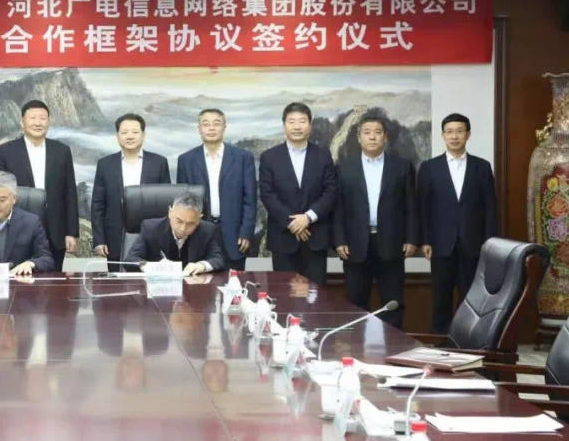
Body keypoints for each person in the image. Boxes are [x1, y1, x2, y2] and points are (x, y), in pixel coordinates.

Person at [332, 112, 418, 329]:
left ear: (385, 137)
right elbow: (338, 207)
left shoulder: (402, 167)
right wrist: (339, 240)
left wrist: (411, 239)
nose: (372, 137)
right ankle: (356, 346)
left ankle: (393, 346)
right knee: (355, 302)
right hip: (355, 245)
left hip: (391, 242)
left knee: (393, 302)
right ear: (359, 137)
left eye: (377, 132)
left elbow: (411, 206)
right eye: (367, 132)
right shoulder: (344, 167)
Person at [418, 113, 498, 333]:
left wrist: (490, 244)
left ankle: (466, 341)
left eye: (459, 131)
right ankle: (440, 340)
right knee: (441, 298)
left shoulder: (482, 167)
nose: (454, 136)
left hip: (473, 244)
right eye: (450, 132)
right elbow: (422, 207)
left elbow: (490, 209)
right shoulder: (429, 167)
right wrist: (425, 240)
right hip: (440, 244)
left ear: (468, 135)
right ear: (443, 135)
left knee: (470, 298)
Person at [0, 100, 78, 269]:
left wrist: (71, 232)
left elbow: (70, 192)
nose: (38, 123)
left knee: (52, 279)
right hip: (17, 228)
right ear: (22, 122)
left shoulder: (62, 151)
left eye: (42, 118)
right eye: (32, 118)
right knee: (18, 278)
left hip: (55, 231)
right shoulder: (6, 151)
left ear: (48, 122)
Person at [258, 102, 337, 285]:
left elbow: (331, 191)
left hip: (315, 237)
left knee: (315, 295)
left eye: (302, 121)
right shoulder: (269, 157)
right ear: (284, 125)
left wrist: (307, 218)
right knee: (284, 294)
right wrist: (293, 223)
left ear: (310, 125)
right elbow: (267, 194)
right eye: (292, 121)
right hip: (283, 238)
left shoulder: (323, 155)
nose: (297, 126)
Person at [176, 108, 256, 270]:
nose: (211, 128)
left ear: (224, 127)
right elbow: (183, 202)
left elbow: (250, 199)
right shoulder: (186, 160)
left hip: (234, 233)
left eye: (216, 123)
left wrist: (246, 232)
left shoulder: (243, 157)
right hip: (198, 232)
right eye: (206, 124)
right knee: (198, 280)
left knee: (233, 281)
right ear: (199, 129)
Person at [91, 113, 171, 270]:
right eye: (124, 132)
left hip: (152, 235)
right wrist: (99, 240)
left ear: (143, 134)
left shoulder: (159, 163)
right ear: (117, 136)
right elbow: (98, 205)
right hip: (115, 237)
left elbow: (165, 204)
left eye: (135, 132)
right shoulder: (105, 164)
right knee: (117, 280)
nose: (129, 136)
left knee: (150, 280)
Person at [125, 192, 226, 275]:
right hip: (159, 287)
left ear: (199, 219)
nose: (183, 228)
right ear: (170, 212)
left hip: (192, 287)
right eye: (179, 221)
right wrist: (152, 267)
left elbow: (219, 259)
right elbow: (130, 260)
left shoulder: (208, 230)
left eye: (190, 224)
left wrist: (202, 265)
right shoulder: (150, 228)